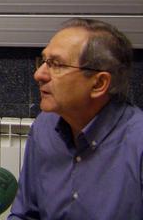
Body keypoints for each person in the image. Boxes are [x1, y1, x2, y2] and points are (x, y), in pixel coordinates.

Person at [9, 18, 143, 219]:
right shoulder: (45, 126)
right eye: (43, 61)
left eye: (56, 64)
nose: (39, 74)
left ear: (99, 84)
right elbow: (26, 214)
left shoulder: (137, 143)